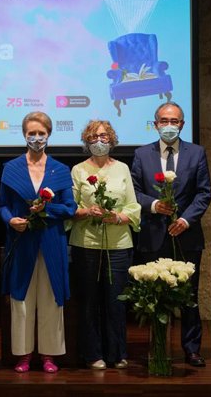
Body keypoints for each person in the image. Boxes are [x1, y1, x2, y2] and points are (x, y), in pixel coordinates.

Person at [131, 102, 211, 367]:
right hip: (153, 235)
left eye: (174, 121)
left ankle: (191, 349)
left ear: (182, 124)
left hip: (187, 236)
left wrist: (186, 220)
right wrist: (154, 205)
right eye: (164, 120)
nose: (169, 125)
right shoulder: (142, 154)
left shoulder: (197, 153)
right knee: (154, 295)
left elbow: (203, 192)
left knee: (188, 296)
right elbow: (134, 191)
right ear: (155, 124)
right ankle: (158, 347)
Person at [0, 111, 77, 373]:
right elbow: (3, 206)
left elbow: (69, 207)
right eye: (31, 133)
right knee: (21, 298)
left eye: (41, 133)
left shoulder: (61, 169)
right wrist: (11, 221)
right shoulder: (11, 168)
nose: (36, 138)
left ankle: (49, 355)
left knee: (51, 298)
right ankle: (22, 355)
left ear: (49, 135)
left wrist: (45, 211)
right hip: (21, 241)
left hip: (51, 241)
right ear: (24, 135)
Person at [69, 120, 141, 370]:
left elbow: (133, 205)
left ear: (112, 139)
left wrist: (119, 217)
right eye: (93, 137)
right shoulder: (78, 170)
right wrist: (87, 211)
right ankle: (92, 354)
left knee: (115, 300)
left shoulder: (122, 168)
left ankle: (117, 353)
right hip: (86, 243)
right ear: (86, 141)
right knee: (89, 301)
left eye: (104, 136)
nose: (99, 141)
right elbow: (70, 208)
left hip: (119, 244)